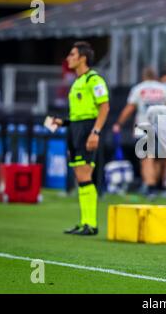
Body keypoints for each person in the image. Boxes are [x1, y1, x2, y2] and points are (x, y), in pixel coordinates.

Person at [52, 41, 110, 235]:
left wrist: (95, 132)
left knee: (85, 175)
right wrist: (63, 122)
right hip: (75, 129)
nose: (68, 58)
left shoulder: (93, 80)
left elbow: (104, 107)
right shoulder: (77, 82)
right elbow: (78, 113)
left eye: (72, 54)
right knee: (79, 176)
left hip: (87, 130)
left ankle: (91, 224)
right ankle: (84, 221)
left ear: (82, 58)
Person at [112, 67, 166, 196]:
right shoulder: (163, 89)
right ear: (155, 76)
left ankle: (150, 186)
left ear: (143, 76)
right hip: (162, 126)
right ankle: (158, 186)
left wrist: (119, 123)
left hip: (143, 127)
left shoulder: (138, 89)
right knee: (158, 158)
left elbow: (129, 108)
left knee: (146, 158)